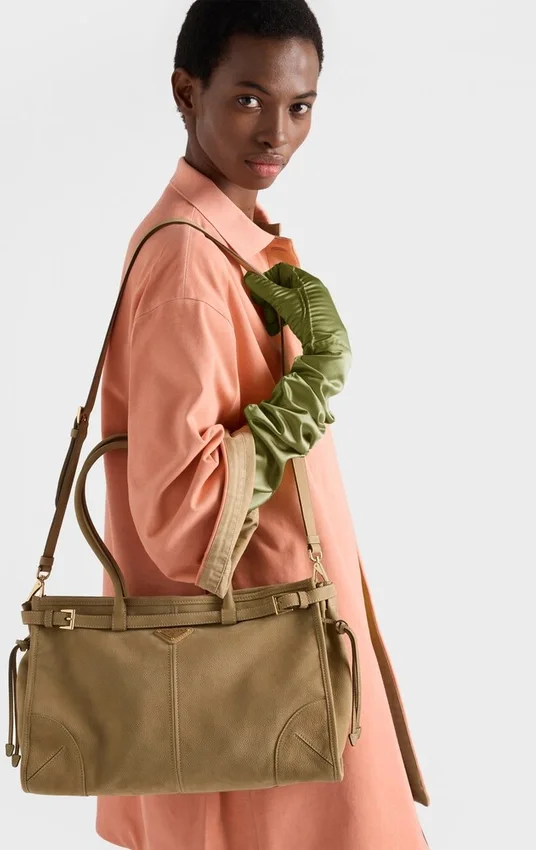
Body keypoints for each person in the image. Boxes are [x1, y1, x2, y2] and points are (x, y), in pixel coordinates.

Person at [98, 2, 429, 848]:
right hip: (249, 678)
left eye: (300, 105)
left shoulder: (230, 244)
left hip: (271, 660)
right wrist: (303, 395)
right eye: (248, 99)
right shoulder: (191, 264)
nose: (277, 132)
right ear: (188, 92)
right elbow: (181, 517)